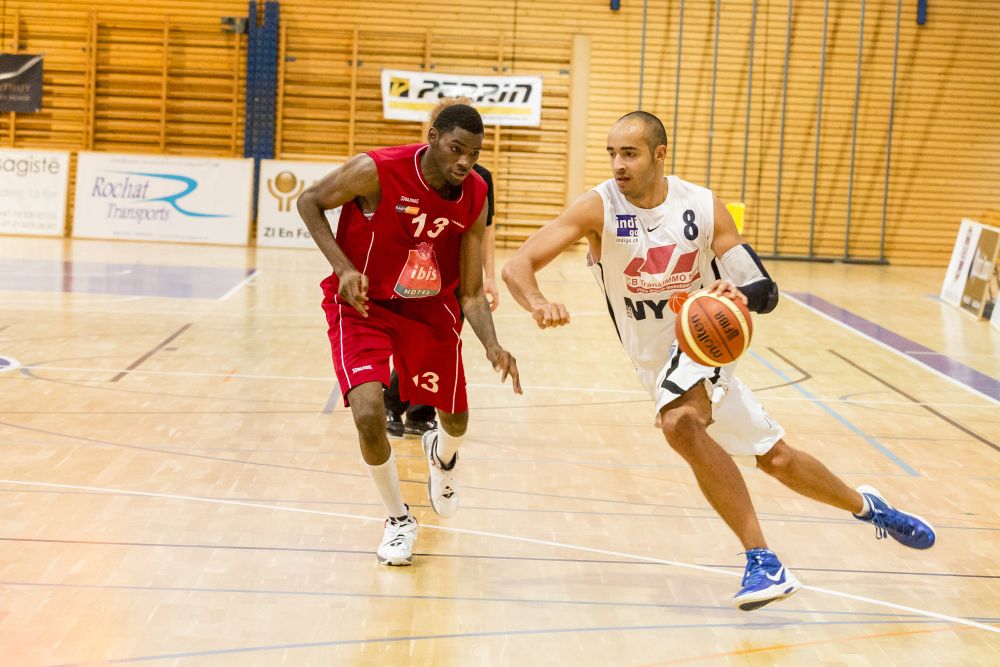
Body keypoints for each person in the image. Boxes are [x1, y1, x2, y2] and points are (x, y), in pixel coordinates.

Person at [501, 110, 935, 611]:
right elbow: (518, 265)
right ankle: (868, 507)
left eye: (630, 153)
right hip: (651, 361)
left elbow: (762, 289)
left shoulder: (704, 206)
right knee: (777, 459)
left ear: (660, 155)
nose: (618, 164)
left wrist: (737, 290)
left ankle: (762, 560)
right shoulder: (597, 207)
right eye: (612, 153)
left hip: (702, 343)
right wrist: (537, 302)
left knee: (679, 424)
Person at [298, 103, 522, 566]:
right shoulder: (377, 170)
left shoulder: (476, 193)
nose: (465, 162)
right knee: (367, 410)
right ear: (433, 136)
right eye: (457, 149)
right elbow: (309, 201)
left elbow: (474, 293)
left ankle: (444, 456)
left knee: (456, 421)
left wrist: (494, 345)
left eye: (474, 153)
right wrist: (342, 268)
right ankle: (399, 519)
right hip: (365, 304)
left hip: (428, 309)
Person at [384, 97, 500, 438]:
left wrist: (489, 277)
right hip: (411, 272)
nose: (463, 157)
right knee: (408, 345)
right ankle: (393, 403)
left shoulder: (481, 180)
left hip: (453, 277)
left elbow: (486, 230)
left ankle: (421, 414)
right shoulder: (411, 170)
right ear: (435, 135)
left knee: (440, 347)